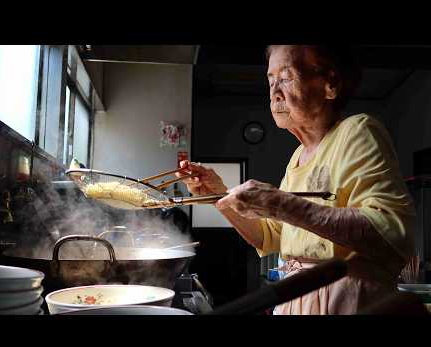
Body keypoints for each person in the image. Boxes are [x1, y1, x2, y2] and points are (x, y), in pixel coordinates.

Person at [176, 45, 416, 315]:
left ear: (330, 84)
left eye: (287, 77)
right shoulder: (298, 156)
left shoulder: (357, 132)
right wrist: (217, 194)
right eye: (270, 80)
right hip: (297, 298)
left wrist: (281, 204)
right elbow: (270, 236)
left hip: (346, 301)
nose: (274, 92)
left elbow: (391, 233)